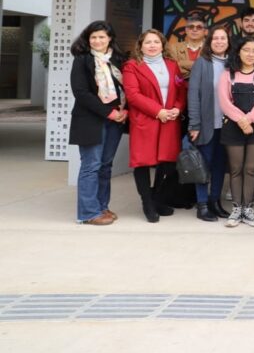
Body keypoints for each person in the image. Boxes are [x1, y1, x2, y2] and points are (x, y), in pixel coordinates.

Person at [122, 29, 185, 223]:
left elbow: (181, 90)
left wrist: (177, 107)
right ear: (140, 46)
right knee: (143, 162)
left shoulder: (172, 65)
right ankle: (147, 202)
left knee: (167, 162)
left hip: (169, 120)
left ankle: (156, 197)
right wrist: (158, 111)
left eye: (156, 42)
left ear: (162, 45)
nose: (152, 45)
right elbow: (133, 95)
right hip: (146, 119)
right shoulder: (132, 66)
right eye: (147, 42)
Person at [69, 21, 128, 225]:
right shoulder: (82, 60)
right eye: (93, 37)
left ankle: (102, 207)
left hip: (116, 119)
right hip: (90, 120)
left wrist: (123, 110)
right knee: (91, 166)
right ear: (88, 39)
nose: (97, 41)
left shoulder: (118, 60)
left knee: (105, 166)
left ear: (110, 38)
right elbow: (81, 93)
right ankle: (88, 213)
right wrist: (108, 113)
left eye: (102, 37)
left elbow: (125, 88)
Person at [218, 36, 254, 228]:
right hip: (233, 125)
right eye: (246, 50)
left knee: (250, 169)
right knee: (235, 169)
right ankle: (236, 208)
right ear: (238, 52)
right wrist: (241, 120)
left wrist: (249, 119)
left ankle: (248, 209)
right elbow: (224, 101)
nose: (250, 54)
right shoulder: (228, 73)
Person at [187, 23, 233, 221]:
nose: (219, 42)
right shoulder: (202, 63)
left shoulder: (233, 63)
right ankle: (202, 204)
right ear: (209, 41)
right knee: (203, 166)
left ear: (228, 42)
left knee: (220, 166)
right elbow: (193, 95)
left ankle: (215, 202)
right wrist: (194, 124)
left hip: (227, 125)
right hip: (206, 125)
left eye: (223, 38)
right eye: (216, 38)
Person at [169, 13, 206, 80]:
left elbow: (209, 71)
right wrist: (199, 67)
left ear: (205, 31)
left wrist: (181, 64)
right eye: (191, 27)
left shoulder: (210, 48)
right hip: (180, 87)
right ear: (186, 30)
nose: (195, 30)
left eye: (199, 27)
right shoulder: (174, 48)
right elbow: (172, 69)